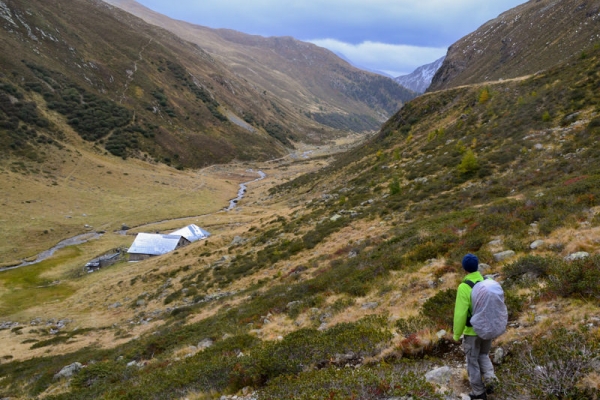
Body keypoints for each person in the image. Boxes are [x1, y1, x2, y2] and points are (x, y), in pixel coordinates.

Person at [453, 254, 497, 400]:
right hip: (487, 329)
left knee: (472, 361)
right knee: (483, 355)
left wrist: (456, 334)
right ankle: (491, 380)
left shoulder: (464, 287)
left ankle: (479, 392)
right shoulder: (488, 281)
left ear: (464, 269)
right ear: (477, 266)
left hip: (472, 332)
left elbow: (460, 314)